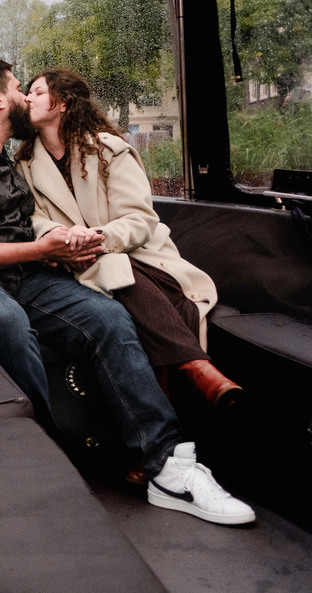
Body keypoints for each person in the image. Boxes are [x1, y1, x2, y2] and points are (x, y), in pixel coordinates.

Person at [0, 57, 253, 526]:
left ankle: (167, 464)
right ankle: (47, 456)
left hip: (23, 271)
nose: (23, 96)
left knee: (108, 317)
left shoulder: (7, 158)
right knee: (8, 321)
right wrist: (40, 249)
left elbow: (33, 227)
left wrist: (53, 251)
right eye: (18, 87)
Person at [15, 68, 241, 409]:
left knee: (117, 266)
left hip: (138, 254)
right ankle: (195, 366)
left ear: (61, 103)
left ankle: (175, 390)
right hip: (77, 260)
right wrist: (59, 236)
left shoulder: (109, 150)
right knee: (118, 273)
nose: (27, 98)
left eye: (37, 91)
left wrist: (97, 237)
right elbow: (31, 218)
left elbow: (140, 218)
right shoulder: (24, 165)